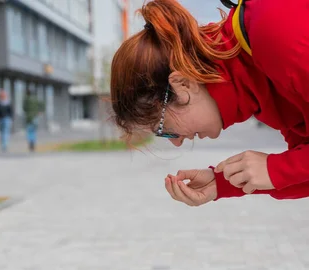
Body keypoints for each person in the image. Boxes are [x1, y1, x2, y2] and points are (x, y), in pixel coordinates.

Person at [110, 0, 309, 206]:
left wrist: (276, 169)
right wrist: (220, 184)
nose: (176, 142)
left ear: (182, 85)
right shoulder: (259, 82)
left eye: (164, 129)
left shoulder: (276, 28)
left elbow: (292, 169)